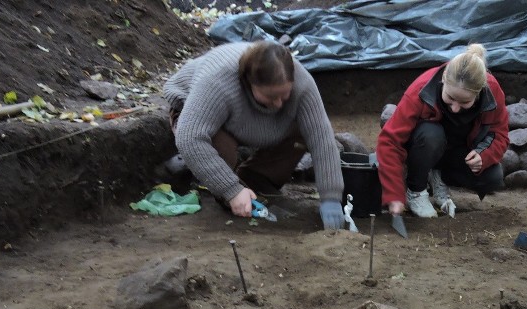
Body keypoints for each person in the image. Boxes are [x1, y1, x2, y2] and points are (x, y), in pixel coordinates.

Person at [163, 41, 344, 229]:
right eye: (271, 97)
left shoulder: (303, 83)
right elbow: (190, 138)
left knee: (302, 129)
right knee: (215, 142)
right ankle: (224, 187)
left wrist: (331, 197)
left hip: (248, 121)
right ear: (249, 84)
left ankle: (255, 179)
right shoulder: (218, 82)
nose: (279, 104)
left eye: (284, 95)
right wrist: (231, 190)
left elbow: (322, 138)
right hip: (198, 113)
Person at [376, 43, 509, 219]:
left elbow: (499, 134)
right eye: (450, 98)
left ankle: (440, 178)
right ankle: (415, 190)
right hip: (423, 147)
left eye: (464, 103)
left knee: (493, 176)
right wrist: (394, 194)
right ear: (444, 78)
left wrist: (482, 155)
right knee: (431, 135)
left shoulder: (492, 91)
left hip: (456, 153)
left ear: (479, 92)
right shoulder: (421, 89)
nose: (455, 108)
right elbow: (389, 141)